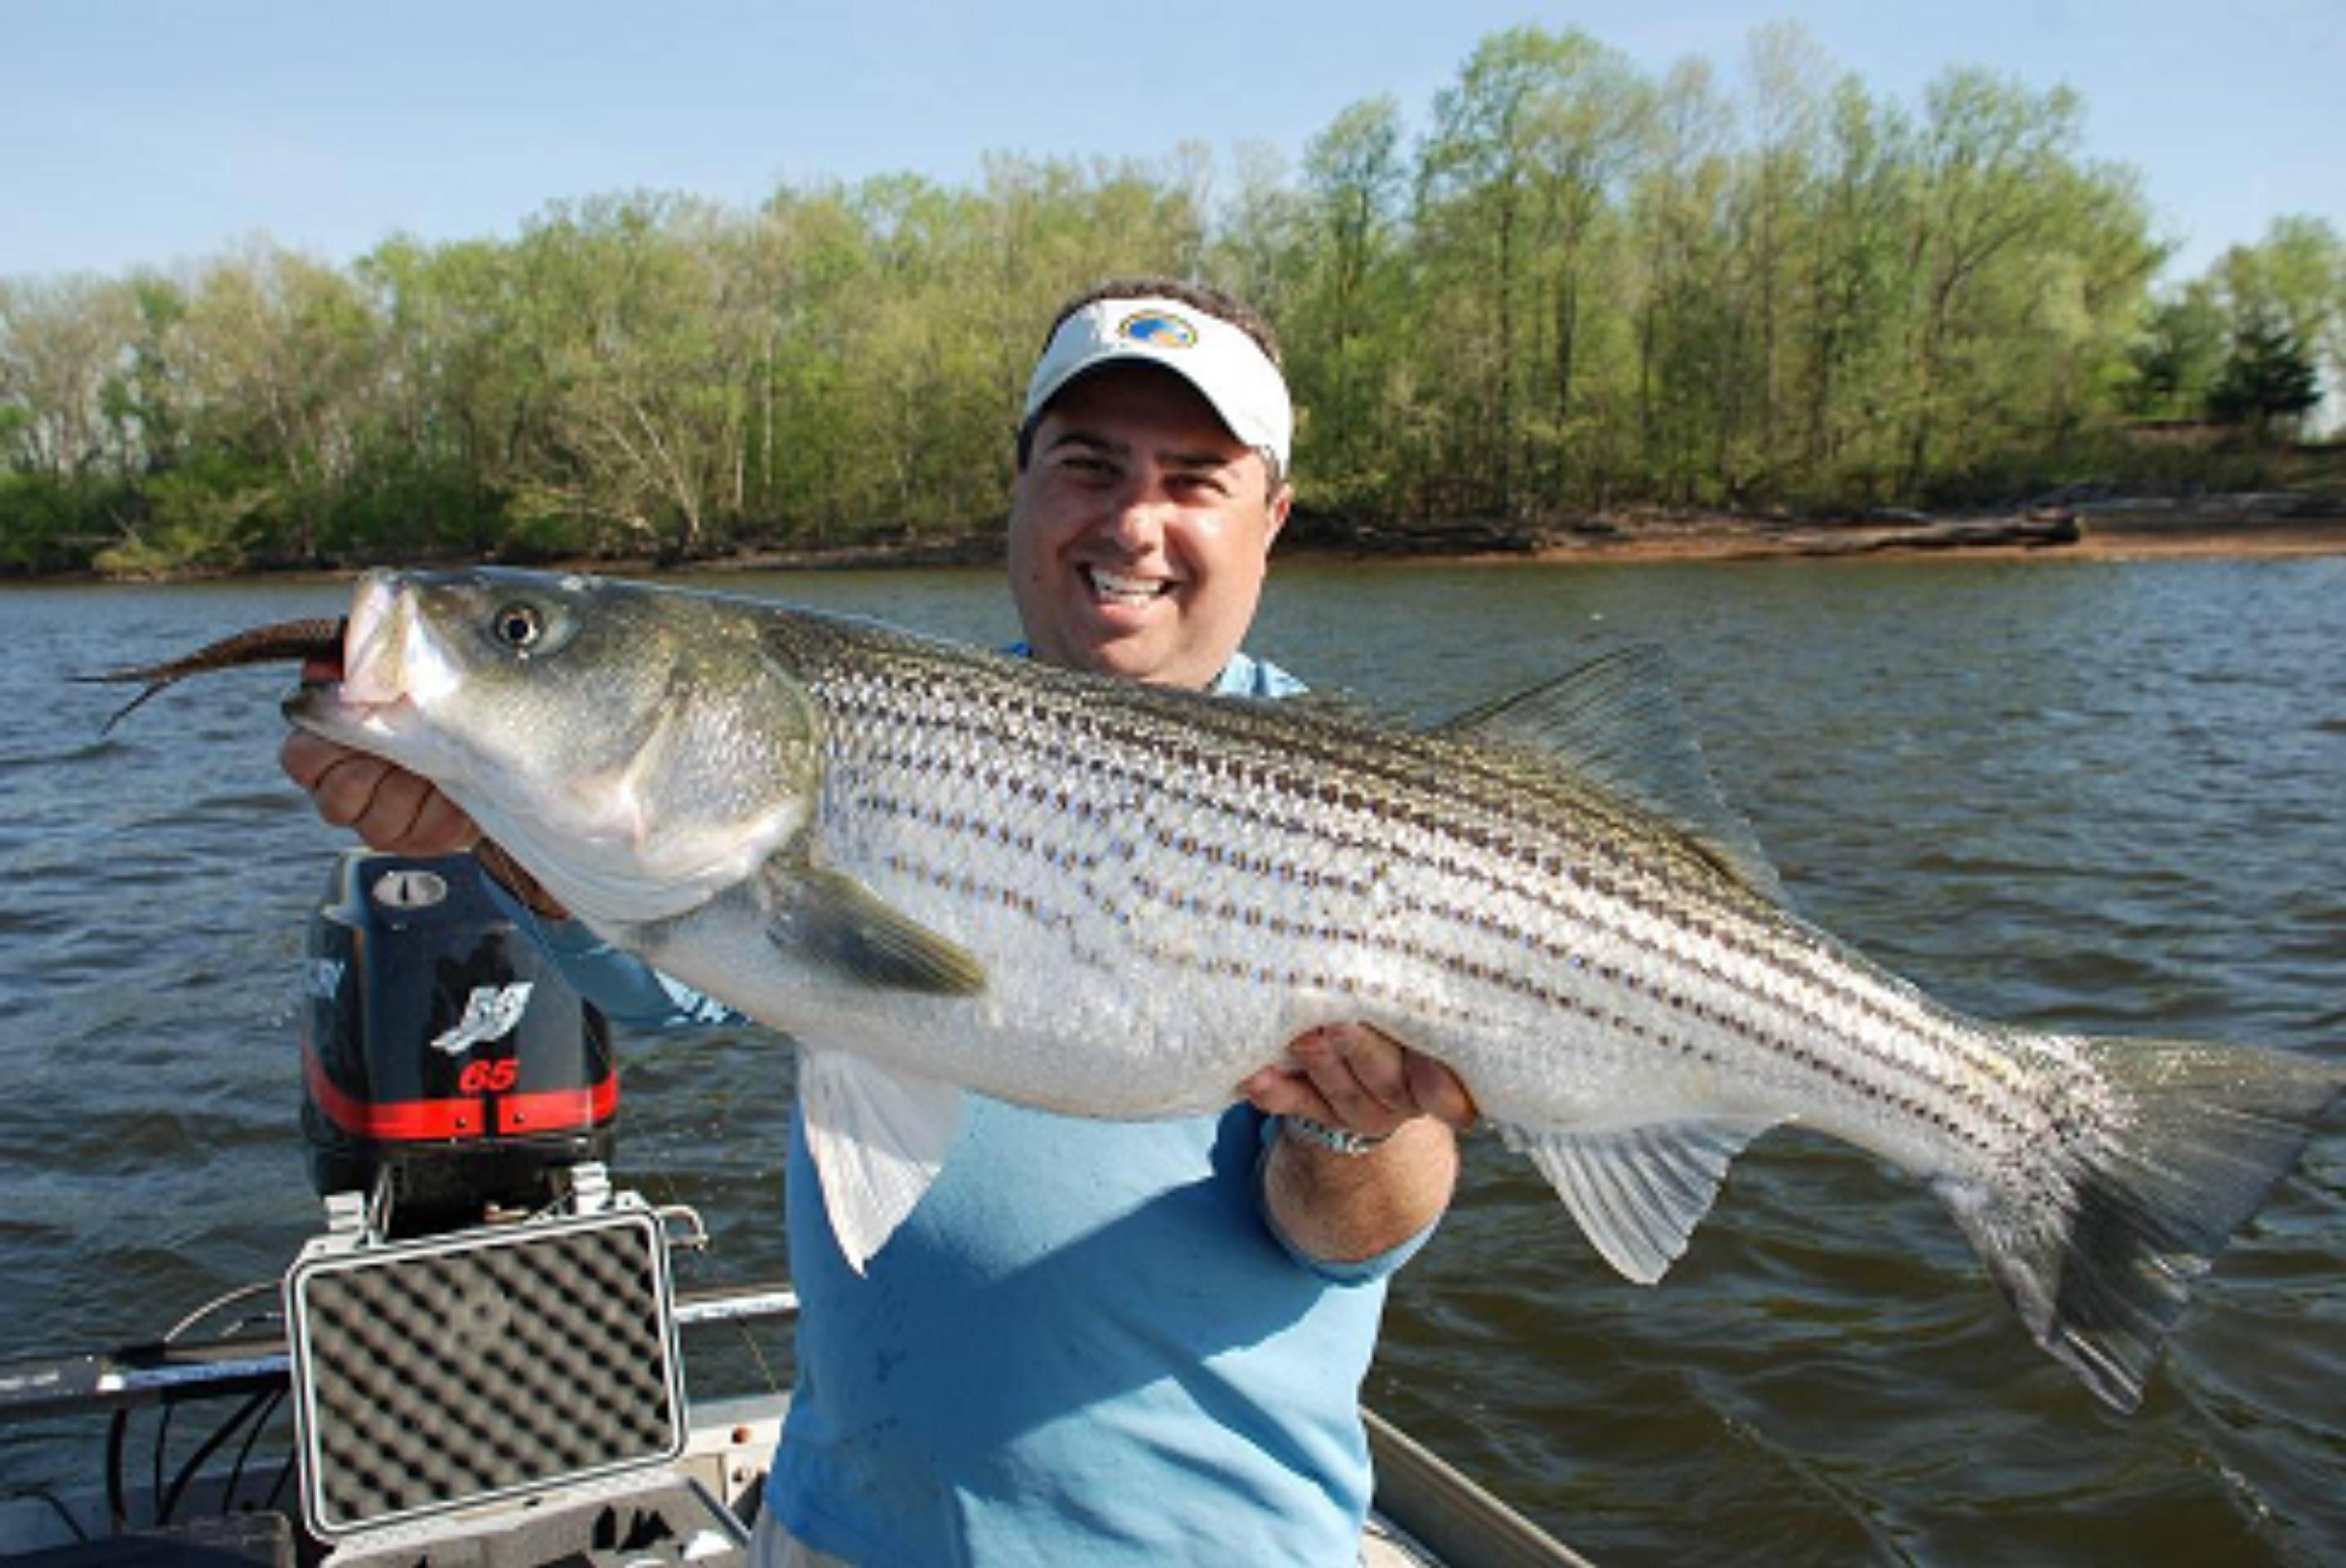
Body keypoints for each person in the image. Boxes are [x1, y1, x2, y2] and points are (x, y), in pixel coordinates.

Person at [281, 278, 1475, 1565]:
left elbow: (1339, 1246)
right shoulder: (888, 726)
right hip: (842, 1530)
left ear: (1273, 519)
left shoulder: (1383, 808)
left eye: (1194, 478)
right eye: (1088, 464)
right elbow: (669, 978)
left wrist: (1351, 1135)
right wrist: (496, 830)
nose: (1134, 523)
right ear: (1018, 487)